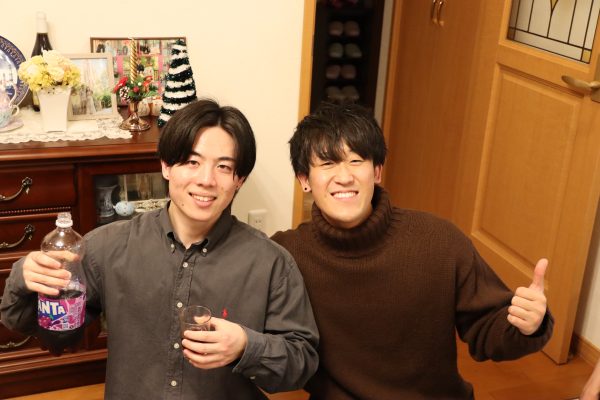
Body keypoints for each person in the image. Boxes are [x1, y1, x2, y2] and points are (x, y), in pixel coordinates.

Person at [0, 99, 319, 399]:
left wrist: (246, 346)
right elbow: (53, 336)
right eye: (192, 162)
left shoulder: (270, 262)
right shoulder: (108, 247)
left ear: (240, 180)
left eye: (223, 167)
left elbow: (300, 364)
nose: (206, 179)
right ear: (166, 166)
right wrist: (25, 279)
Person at [271, 102, 553, 400]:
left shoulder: (439, 241)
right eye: (328, 163)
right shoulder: (286, 256)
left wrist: (529, 325)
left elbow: (488, 329)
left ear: (377, 171)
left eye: (356, 160)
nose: (344, 176)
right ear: (304, 180)